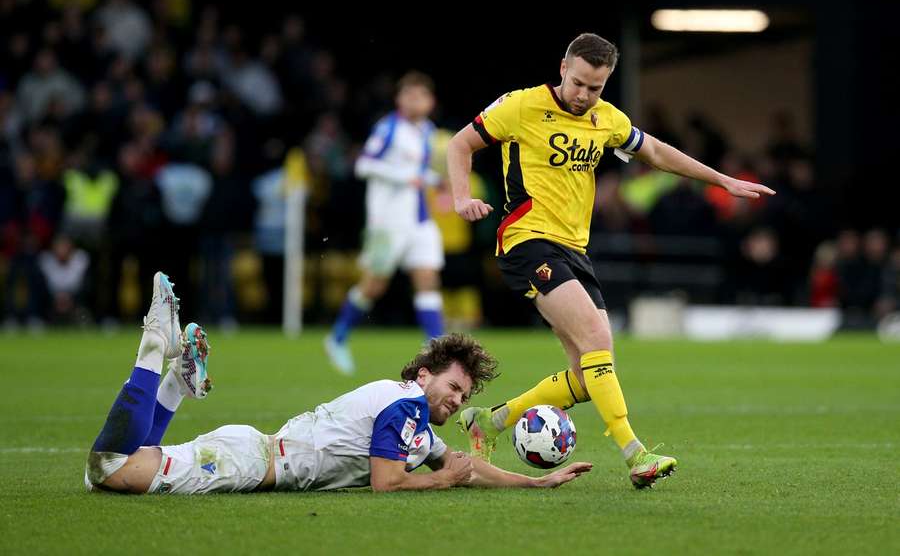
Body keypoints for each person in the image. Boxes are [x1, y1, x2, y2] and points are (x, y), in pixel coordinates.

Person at [446, 33, 775, 489]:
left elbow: (657, 152)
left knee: (588, 375)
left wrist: (722, 181)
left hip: (575, 250)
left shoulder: (607, 119)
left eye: (595, 87)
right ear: (563, 68)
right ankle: (635, 453)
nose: (583, 95)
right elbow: (459, 144)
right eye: (578, 83)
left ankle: (492, 421)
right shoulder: (520, 106)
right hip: (527, 242)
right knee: (598, 335)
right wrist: (462, 198)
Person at [85, 272, 591, 494]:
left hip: (253, 453)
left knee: (118, 470)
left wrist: (535, 481)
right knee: (109, 471)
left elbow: (468, 466)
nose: (457, 401)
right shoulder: (405, 405)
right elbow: (386, 482)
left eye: (463, 396)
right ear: (422, 375)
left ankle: (176, 381)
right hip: (247, 464)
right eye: (453, 388)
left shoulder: (413, 417)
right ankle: (154, 352)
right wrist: (442, 479)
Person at [324, 72, 446, 375]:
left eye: (419, 96)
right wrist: (408, 177)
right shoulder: (388, 128)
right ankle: (337, 337)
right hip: (387, 223)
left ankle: (437, 352)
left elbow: (417, 171)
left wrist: (435, 181)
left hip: (419, 220)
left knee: (427, 280)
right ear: (398, 99)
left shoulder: (428, 131)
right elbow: (364, 165)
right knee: (374, 285)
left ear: (430, 102)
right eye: (408, 95)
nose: (413, 100)